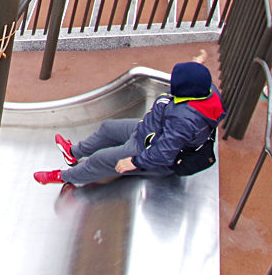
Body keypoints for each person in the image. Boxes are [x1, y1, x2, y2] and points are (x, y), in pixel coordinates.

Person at [34, 60, 223, 186]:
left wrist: (134, 161)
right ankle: (74, 153)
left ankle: (64, 177)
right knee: (108, 128)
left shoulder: (184, 120)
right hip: (148, 128)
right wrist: (196, 64)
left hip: (148, 148)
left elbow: (164, 153)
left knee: (101, 160)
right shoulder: (205, 91)